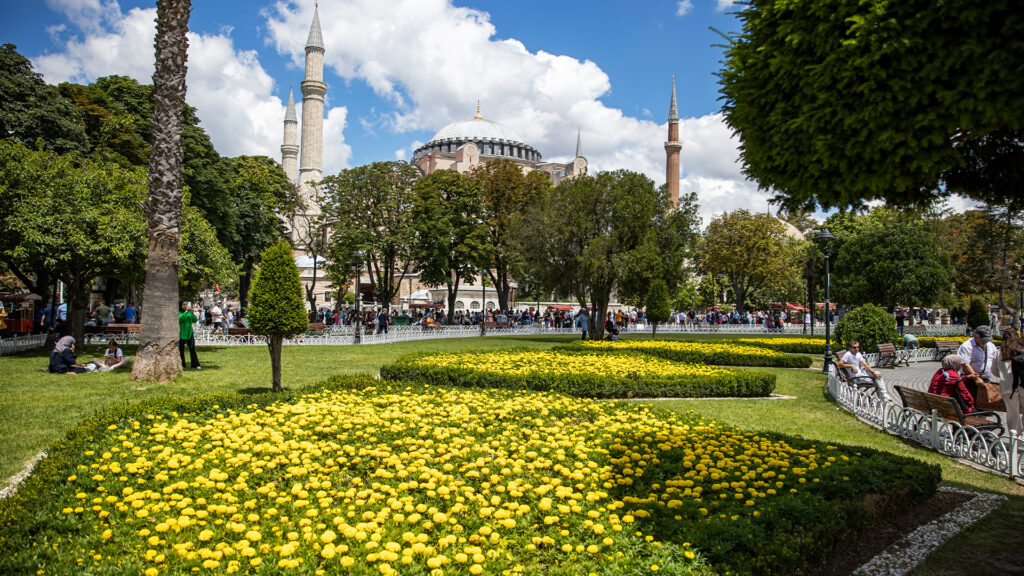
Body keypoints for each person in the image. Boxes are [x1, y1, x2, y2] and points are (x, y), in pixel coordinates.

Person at [992, 328, 1024, 433]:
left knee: (1012, 414)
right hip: (1022, 384)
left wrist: (1003, 376)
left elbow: (994, 370)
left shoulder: (1000, 352)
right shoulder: (1022, 349)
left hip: (1007, 386)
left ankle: (1014, 437)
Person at [957, 325, 998, 403]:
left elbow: (995, 359)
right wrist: (976, 378)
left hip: (985, 380)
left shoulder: (990, 346)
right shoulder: (967, 346)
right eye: (983, 340)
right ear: (976, 336)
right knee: (970, 404)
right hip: (970, 380)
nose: (985, 342)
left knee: (984, 405)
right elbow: (965, 364)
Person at [179, 301, 201, 370]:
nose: (185, 306)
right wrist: (186, 312)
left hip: (189, 334)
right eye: (184, 304)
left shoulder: (189, 312)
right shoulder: (179, 312)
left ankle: (195, 364)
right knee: (181, 350)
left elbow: (195, 320)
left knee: (192, 349)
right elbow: (180, 318)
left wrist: (192, 313)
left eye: (186, 304)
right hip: (181, 334)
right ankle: (182, 364)